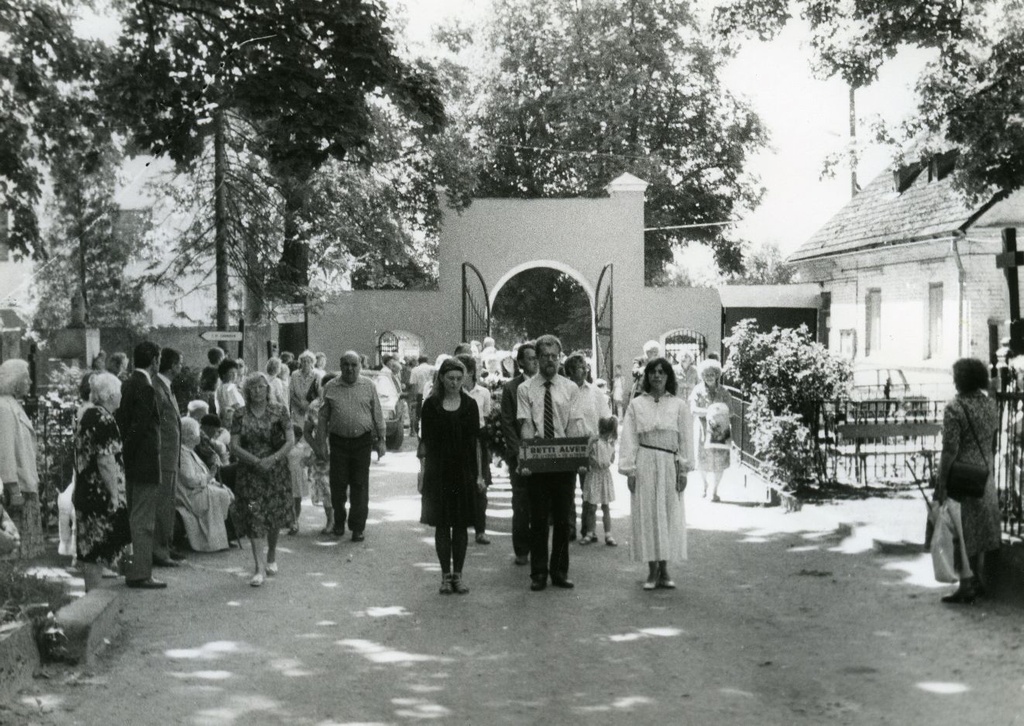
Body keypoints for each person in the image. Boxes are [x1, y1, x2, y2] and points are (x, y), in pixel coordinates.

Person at [517, 334, 585, 591]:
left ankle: (559, 571)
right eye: (544, 356)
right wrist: (527, 456)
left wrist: (576, 457)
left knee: (563, 519)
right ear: (537, 358)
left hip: (563, 461)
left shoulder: (570, 388)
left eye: (554, 356)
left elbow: (574, 424)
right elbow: (526, 424)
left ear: (560, 358)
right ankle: (538, 573)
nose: (550, 361)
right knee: (538, 519)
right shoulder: (526, 389)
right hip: (538, 460)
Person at [620, 357, 692, 590]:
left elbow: (685, 439)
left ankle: (665, 569)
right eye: (653, 372)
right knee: (648, 515)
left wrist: (684, 470)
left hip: (669, 463)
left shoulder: (679, 405)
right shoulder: (637, 404)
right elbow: (629, 438)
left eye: (662, 372)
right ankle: (652, 571)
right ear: (647, 376)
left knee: (669, 514)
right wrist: (630, 470)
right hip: (645, 462)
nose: (657, 376)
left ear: (668, 376)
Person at [935, 357, 1001, 604]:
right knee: (981, 529)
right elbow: (992, 440)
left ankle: (965, 585)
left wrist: (942, 483)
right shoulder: (990, 405)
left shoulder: (955, 408)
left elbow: (950, 450)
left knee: (961, 532)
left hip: (962, 477)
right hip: (984, 475)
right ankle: (979, 579)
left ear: (961, 380)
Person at [418, 357, 483, 594]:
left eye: (458, 378)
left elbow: (476, 442)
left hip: (464, 472)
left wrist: (479, 475)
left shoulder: (470, 405)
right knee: (443, 526)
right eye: (450, 378)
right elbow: (424, 443)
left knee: (461, 526)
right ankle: (445, 576)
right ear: (442, 379)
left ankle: (459, 576)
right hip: (438, 472)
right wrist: (422, 473)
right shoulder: (431, 405)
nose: (455, 383)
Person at [230, 373, 295, 587]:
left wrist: (271, 459)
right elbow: (234, 445)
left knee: (273, 516)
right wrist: (255, 461)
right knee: (254, 514)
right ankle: (259, 568)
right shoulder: (239, 414)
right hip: (250, 476)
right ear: (247, 391)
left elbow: (290, 440)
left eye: (261, 387)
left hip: (276, 473)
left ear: (267, 389)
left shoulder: (280, 411)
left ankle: (272, 554)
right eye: (253, 388)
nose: (257, 391)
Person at [316, 351, 385, 542]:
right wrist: (321, 444)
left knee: (359, 485)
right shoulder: (331, 386)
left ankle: (357, 527)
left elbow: (377, 413)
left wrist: (381, 439)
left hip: (362, 442)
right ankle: (339, 521)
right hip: (338, 443)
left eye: (354, 365)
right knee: (337, 485)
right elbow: (322, 417)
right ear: (340, 366)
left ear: (360, 366)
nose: (350, 369)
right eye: (346, 364)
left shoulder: (368, 386)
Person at [115, 341, 166, 589]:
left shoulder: (128, 383)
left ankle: (131, 568)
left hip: (132, 463)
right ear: (155, 360)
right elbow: (140, 427)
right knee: (143, 522)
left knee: (133, 518)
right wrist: (131, 452)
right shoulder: (145, 387)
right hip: (144, 463)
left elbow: (125, 424)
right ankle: (140, 573)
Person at [74, 372, 131, 582]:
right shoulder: (105, 420)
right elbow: (105, 461)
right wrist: (115, 495)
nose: (121, 396)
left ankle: (92, 591)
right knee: (96, 549)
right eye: (119, 392)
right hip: (100, 495)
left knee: (90, 548)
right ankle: (94, 594)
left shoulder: (88, 415)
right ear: (110, 395)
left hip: (86, 491)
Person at [565, 351, 609, 541]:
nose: (584, 370)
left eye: (585, 367)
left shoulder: (595, 392)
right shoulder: (564, 391)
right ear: (570, 371)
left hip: (590, 446)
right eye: (579, 367)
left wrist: (606, 445)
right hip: (567, 445)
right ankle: (569, 528)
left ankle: (588, 529)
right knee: (567, 489)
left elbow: (606, 418)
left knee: (588, 489)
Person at [0, 359, 42, 558]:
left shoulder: (11, 404)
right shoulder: (4, 407)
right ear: (15, 381)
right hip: (17, 489)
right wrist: (12, 488)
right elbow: (5, 451)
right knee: (13, 548)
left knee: (19, 550)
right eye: (26, 378)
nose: (30, 382)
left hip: (24, 484)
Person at [501, 342, 538, 566]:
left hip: (543, 453)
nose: (535, 362)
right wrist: (519, 453)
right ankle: (522, 550)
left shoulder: (545, 385)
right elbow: (507, 423)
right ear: (521, 362)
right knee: (521, 503)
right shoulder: (511, 388)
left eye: (536, 358)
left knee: (541, 503)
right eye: (530, 358)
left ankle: (539, 549)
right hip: (519, 455)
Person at [176, 417, 234, 552]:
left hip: (197, 490)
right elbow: (190, 479)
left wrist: (213, 480)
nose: (199, 436)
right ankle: (214, 541)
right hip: (189, 495)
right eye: (197, 433)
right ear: (189, 436)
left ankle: (222, 537)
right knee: (220, 494)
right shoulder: (182, 453)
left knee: (223, 490)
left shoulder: (189, 451)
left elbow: (203, 474)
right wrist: (210, 476)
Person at [154, 347, 184, 566]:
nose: (181, 367)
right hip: (163, 457)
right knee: (162, 504)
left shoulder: (166, 387)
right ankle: (159, 550)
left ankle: (166, 544)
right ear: (172, 366)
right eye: (179, 363)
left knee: (169, 503)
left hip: (170, 457)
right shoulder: (157, 388)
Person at [458, 354, 492, 545]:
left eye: (461, 372)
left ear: (471, 372)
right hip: (459, 441)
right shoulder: (454, 392)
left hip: (478, 442)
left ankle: (481, 530)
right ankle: (460, 527)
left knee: (481, 485)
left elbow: (486, 418)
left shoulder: (483, 393)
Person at [689, 358, 731, 502]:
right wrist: (710, 411)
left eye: (712, 374)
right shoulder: (698, 390)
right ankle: (704, 485)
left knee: (720, 461)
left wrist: (720, 413)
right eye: (706, 375)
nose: (709, 377)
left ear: (717, 375)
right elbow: (693, 410)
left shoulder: (724, 392)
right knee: (702, 461)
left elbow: (731, 411)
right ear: (702, 376)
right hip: (702, 430)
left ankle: (715, 490)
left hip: (720, 431)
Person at [304, 373, 336, 535]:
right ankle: (330, 520)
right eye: (326, 386)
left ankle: (338, 517)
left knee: (339, 487)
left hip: (340, 451)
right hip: (321, 452)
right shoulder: (314, 406)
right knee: (325, 487)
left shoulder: (342, 404)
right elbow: (307, 431)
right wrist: (316, 449)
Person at [581, 416, 618, 546]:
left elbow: (611, 459)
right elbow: (587, 455)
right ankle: (590, 532)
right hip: (594, 475)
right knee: (592, 506)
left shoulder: (610, 444)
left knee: (605, 506)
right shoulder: (594, 442)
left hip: (604, 475)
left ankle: (608, 534)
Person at [286, 425, 308, 535]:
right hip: (288, 475)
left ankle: (295, 520)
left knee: (297, 500)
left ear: (298, 437)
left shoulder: (302, 447)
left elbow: (307, 460)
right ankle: (291, 521)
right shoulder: (285, 447)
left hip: (298, 476)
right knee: (289, 500)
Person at [290, 350, 319, 428]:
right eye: (303, 361)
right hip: (297, 409)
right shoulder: (294, 375)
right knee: (299, 431)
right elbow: (291, 393)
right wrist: (300, 405)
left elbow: (320, 395)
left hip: (312, 410)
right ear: (300, 362)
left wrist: (309, 407)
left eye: (308, 361)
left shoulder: (317, 375)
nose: (306, 363)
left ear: (312, 363)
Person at [408, 355, 434, 438]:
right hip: (432, 393)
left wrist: (413, 398)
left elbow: (414, 385)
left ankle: (420, 432)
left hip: (420, 394)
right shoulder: (432, 368)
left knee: (419, 414)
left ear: (418, 361)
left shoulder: (415, 370)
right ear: (427, 360)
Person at [215, 359, 244, 426]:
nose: (234, 375)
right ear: (223, 375)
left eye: (235, 372)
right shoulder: (229, 387)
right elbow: (236, 406)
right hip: (234, 421)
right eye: (231, 373)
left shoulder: (220, 388)